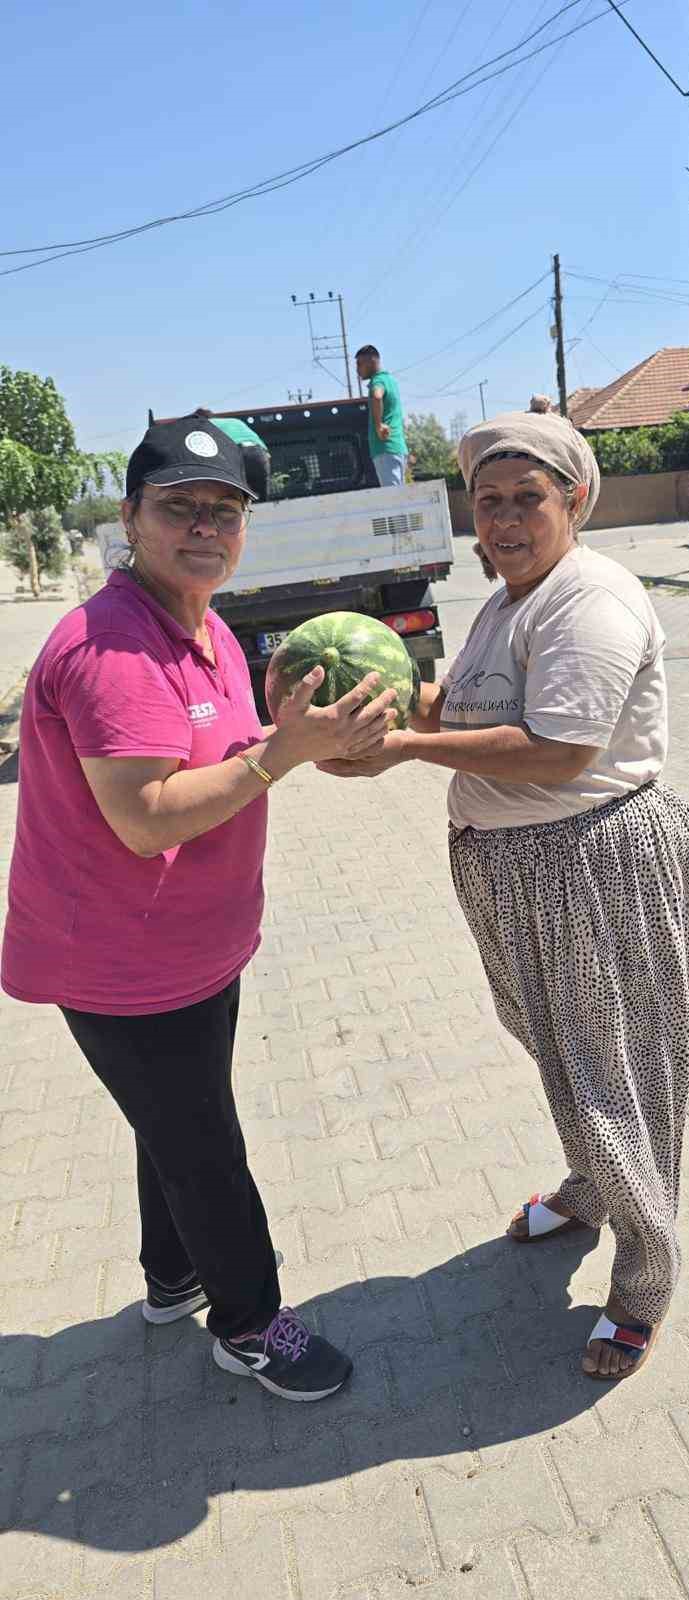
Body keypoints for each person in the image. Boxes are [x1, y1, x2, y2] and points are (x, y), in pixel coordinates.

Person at [317, 410, 689, 1382]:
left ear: (575, 501)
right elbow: (467, 706)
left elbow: (561, 748)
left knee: (615, 1077)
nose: (504, 519)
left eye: (528, 499)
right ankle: (594, 1186)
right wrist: (374, 711)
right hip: (521, 874)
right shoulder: (511, 599)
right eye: (488, 500)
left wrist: (405, 748)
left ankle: (644, 1280)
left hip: (595, 871)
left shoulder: (590, 600)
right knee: (566, 1052)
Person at [1, 415, 396, 1402]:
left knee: (174, 1123)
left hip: (190, 948)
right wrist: (280, 756)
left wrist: (303, 739)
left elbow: (224, 750)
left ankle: (172, 1276)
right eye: (180, 507)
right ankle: (250, 1324)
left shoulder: (204, 622)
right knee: (206, 1148)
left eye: (224, 510)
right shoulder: (113, 650)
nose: (205, 527)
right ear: (131, 517)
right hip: (125, 963)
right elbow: (144, 819)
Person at [191, 406, 271, 501]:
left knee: (236, 494)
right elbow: (266, 453)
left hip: (237, 452)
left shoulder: (205, 424)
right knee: (261, 498)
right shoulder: (235, 421)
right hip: (259, 452)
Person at [355, 345, 408, 487]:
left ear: (372, 361)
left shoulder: (377, 381)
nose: (357, 369)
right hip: (397, 447)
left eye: (360, 364)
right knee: (399, 494)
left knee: (393, 496)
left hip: (385, 448)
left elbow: (377, 396)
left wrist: (378, 426)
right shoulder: (390, 380)